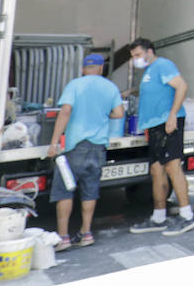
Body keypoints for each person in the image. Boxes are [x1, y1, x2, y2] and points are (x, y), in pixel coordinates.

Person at [47, 53, 123, 249]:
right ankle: (86, 233)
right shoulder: (110, 87)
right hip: (98, 147)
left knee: (64, 190)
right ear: (100, 68)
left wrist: (54, 142)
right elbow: (119, 113)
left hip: (75, 147)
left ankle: (63, 237)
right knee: (90, 190)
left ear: (83, 69)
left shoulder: (75, 85)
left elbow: (65, 111)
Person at [125, 38, 194, 236]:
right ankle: (158, 217)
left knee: (172, 166)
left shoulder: (163, 65)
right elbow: (154, 90)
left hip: (167, 123)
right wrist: (131, 92)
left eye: (138, 55)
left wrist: (172, 114)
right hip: (154, 126)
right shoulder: (149, 71)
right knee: (156, 170)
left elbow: (181, 86)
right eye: (133, 57)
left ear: (150, 51)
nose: (136, 59)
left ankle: (187, 215)